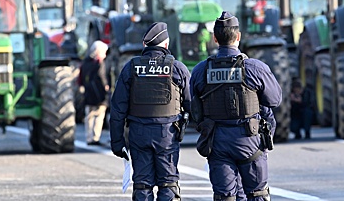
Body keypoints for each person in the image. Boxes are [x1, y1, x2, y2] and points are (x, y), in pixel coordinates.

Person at [190, 11, 282, 201]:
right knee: (257, 195)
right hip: (250, 141)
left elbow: (195, 110)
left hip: (217, 143)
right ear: (238, 37)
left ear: (215, 39)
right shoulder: (255, 68)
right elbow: (274, 100)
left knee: (225, 197)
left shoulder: (200, 70)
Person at [109, 22, 191, 201]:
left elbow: (117, 109)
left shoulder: (131, 68)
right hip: (168, 135)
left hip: (138, 134)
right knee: (168, 184)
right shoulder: (177, 68)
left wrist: (117, 142)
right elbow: (193, 105)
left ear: (145, 44)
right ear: (166, 45)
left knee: (142, 185)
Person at [79, 40, 110, 146]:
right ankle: (95, 137)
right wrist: (106, 88)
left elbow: (81, 79)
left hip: (88, 94)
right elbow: (102, 78)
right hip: (99, 95)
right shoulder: (99, 64)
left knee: (89, 116)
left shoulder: (85, 63)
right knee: (98, 116)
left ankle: (89, 137)